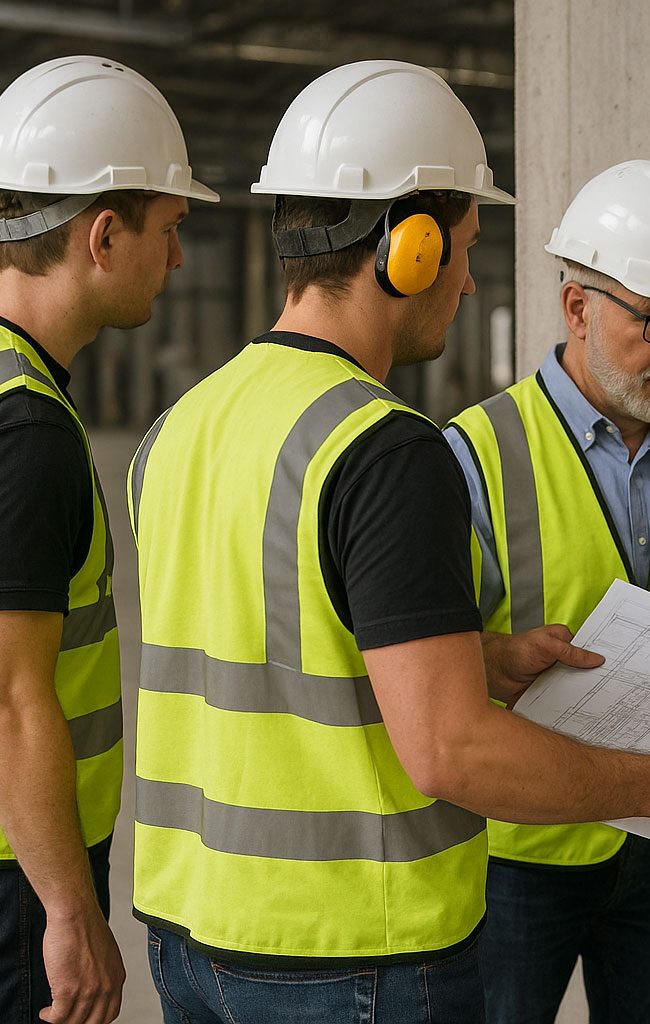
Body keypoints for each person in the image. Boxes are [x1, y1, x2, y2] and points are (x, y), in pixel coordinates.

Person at [129, 66, 650, 1024]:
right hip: (350, 948)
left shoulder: (180, 426)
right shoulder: (383, 448)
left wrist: (481, 655)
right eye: (468, 246)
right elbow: (447, 750)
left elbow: (284, 650)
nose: (471, 281)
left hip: (192, 936)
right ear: (412, 245)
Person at [445, 158, 650, 1024]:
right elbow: (425, 665)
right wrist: (494, 659)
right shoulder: (473, 455)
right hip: (513, 853)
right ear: (577, 307)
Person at [0, 55, 217, 1024]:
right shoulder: (27, 426)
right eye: (167, 230)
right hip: (18, 866)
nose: (176, 261)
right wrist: (69, 911)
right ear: (101, 235)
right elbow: (11, 699)